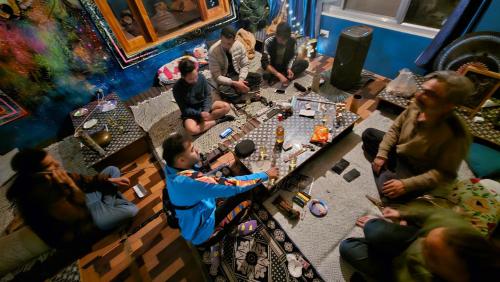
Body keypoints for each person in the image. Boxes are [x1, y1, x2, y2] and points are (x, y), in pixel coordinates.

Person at [362, 71, 474, 203]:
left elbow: (445, 174)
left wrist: (406, 184)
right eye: (424, 90)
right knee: (368, 135)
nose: (419, 95)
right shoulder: (418, 104)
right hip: (400, 150)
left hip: (416, 169)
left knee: (389, 193)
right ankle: (390, 170)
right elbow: (395, 129)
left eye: (430, 94)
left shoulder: (457, 135)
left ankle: (396, 181)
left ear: (448, 105)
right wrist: (382, 154)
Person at [162, 132, 278, 246]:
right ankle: (231, 230)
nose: (197, 149)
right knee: (246, 192)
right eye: (192, 150)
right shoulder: (190, 181)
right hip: (203, 235)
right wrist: (266, 175)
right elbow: (235, 185)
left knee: (224, 182)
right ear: (181, 160)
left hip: (194, 216)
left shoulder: (170, 168)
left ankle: (224, 224)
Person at [6, 149, 138, 248]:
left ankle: (110, 204)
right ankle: (112, 204)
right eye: (50, 164)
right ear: (38, 173)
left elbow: (83, 180)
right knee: (132, 210)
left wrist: (110, 180)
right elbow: (81, 216)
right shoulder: (40, 194)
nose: (57, 163)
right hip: (81, 227)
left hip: (82, 202)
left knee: (112, 170)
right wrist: (70, 186)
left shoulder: (51, 175)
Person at [340, 206, 500, 281]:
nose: (423, 245)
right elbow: (431, 214)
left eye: (431, 254)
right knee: (375, 231)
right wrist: (402, 214)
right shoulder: (453, 224)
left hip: (395, 272)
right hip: (410, 238)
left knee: (347, 247)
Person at [173, 58, 235, 135]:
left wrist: (206, 110)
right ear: (183, 77)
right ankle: (218, 120)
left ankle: (203, 123)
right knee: (191, 130)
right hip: (192, 112)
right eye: (191, 79)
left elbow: (208, 96)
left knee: (226, 107)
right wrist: (199, 114)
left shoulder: (201, 77)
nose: (195, 80)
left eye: (195, 76)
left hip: (204, 106)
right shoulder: (177, 88)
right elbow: (185, 110)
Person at [208, 26, 262, 103]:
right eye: (223, 42)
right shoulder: (213, 51)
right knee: (223, 91)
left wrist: (241, 80)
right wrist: (235, 84)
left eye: (229, 44)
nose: (225, 46)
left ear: (235, 40)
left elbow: (245, 65)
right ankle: (244, 95)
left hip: (237, 75)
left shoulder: (239, 46)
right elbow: (217, 77)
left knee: (258, 77)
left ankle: (239, 93)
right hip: (224, 80)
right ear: (220, 38)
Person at [261, 22, 309, 87]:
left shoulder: (292, 41)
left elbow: (293, 56)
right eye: (282, 39)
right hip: (273, 65)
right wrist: (278, 74)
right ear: (276, 35)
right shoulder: (268, 41)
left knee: (305, 63)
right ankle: (281, 76)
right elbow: (265, 63)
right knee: (266, 75)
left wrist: (289, 68)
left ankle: (281, 76)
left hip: (284, 66)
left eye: (286, 40)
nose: (284, 42)